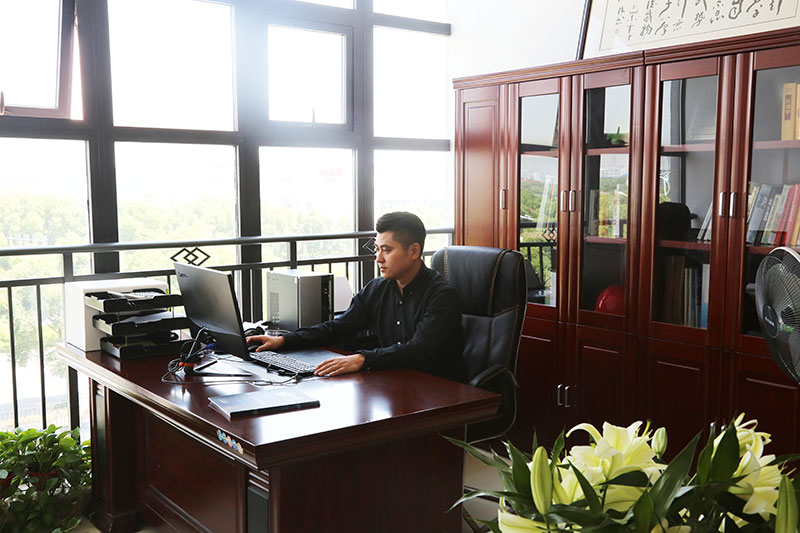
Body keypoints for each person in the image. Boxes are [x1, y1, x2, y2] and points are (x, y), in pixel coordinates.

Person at [246, 211, 467, 382]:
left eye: (387, 250)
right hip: (393, 381)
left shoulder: (441, 296)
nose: (378, 259)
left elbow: (419, 350)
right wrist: (284, 341)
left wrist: (363, 359)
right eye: (377, 249)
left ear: (414, 251)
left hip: (438, 391)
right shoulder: (378, 288)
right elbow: (340, 327)